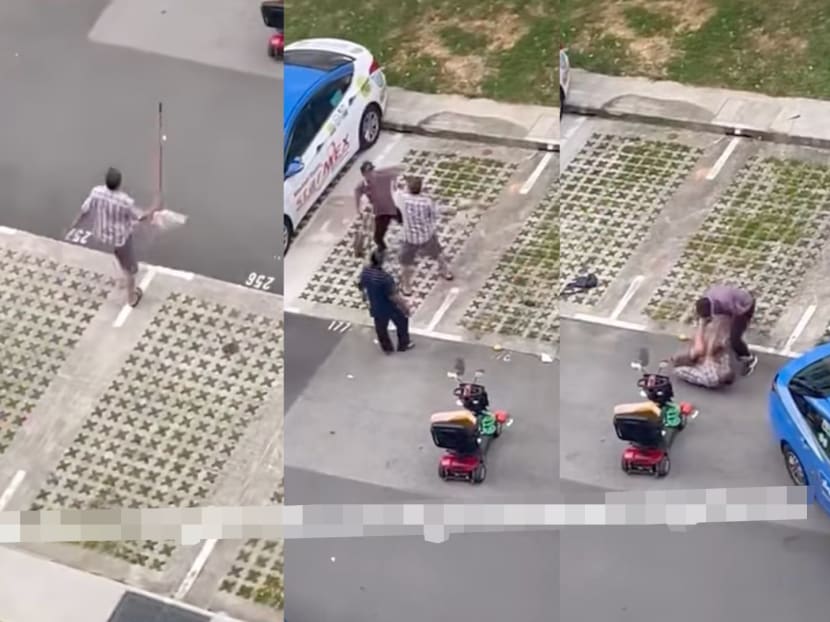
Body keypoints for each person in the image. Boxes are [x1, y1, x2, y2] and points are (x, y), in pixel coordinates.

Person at [68, 167, 159, 307]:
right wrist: (154, 207)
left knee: (119, 255)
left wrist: (74, 225)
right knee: (131, 270)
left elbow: (84, 210)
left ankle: (122, 271)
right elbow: (141, 217)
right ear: (119, 183)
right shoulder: (125, 201)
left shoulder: (96, 192)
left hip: (102, 234)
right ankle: (131, 299)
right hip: (120, 238)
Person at [398, 175, 453, 296]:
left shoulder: (403, 199)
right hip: (426, 235)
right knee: (438, 253)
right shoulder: (427, 202)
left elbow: (395, 195)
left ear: (408, 188)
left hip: (409, 238)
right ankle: (446, 272)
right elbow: (433, 216)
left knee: (405, 262)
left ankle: (407, 287)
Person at [357, 250, 414, 354]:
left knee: (380, 327)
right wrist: (405, 307)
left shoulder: (366, 272)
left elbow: (361, 285)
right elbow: (394, 296)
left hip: (375, 305)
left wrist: (365, 298)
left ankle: (387, 348)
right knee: (402, 321)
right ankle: (403, 344)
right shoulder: (385, 278)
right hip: (389, 306)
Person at [695, 284, 758, 375]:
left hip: (743, 307)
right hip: (729, 302)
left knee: (735, 339)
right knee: (719, 330)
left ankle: (749, 358)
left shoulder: (726, 303)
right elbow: (706, 322)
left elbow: (734, 316)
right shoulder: (706, 299)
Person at [671, 314, 735, 388]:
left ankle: (685, 362)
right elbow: (723, 355)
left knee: (679, 369)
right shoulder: (722, 365)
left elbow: (700, 350)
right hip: (703, 365)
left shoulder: (711, 375)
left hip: (696, 367)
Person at [354, 161, 403, 252]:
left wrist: (396, 184)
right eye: (368, 172)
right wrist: (358, 210)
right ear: (364, 174)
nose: (371, 173)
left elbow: (396, 172)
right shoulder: (362, 186)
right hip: (380, 212)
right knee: (377, 238)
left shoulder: (382, 176)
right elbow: (357, 195)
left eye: (372, 170)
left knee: (404, 221)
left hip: (391, 207)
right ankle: (383, 250)